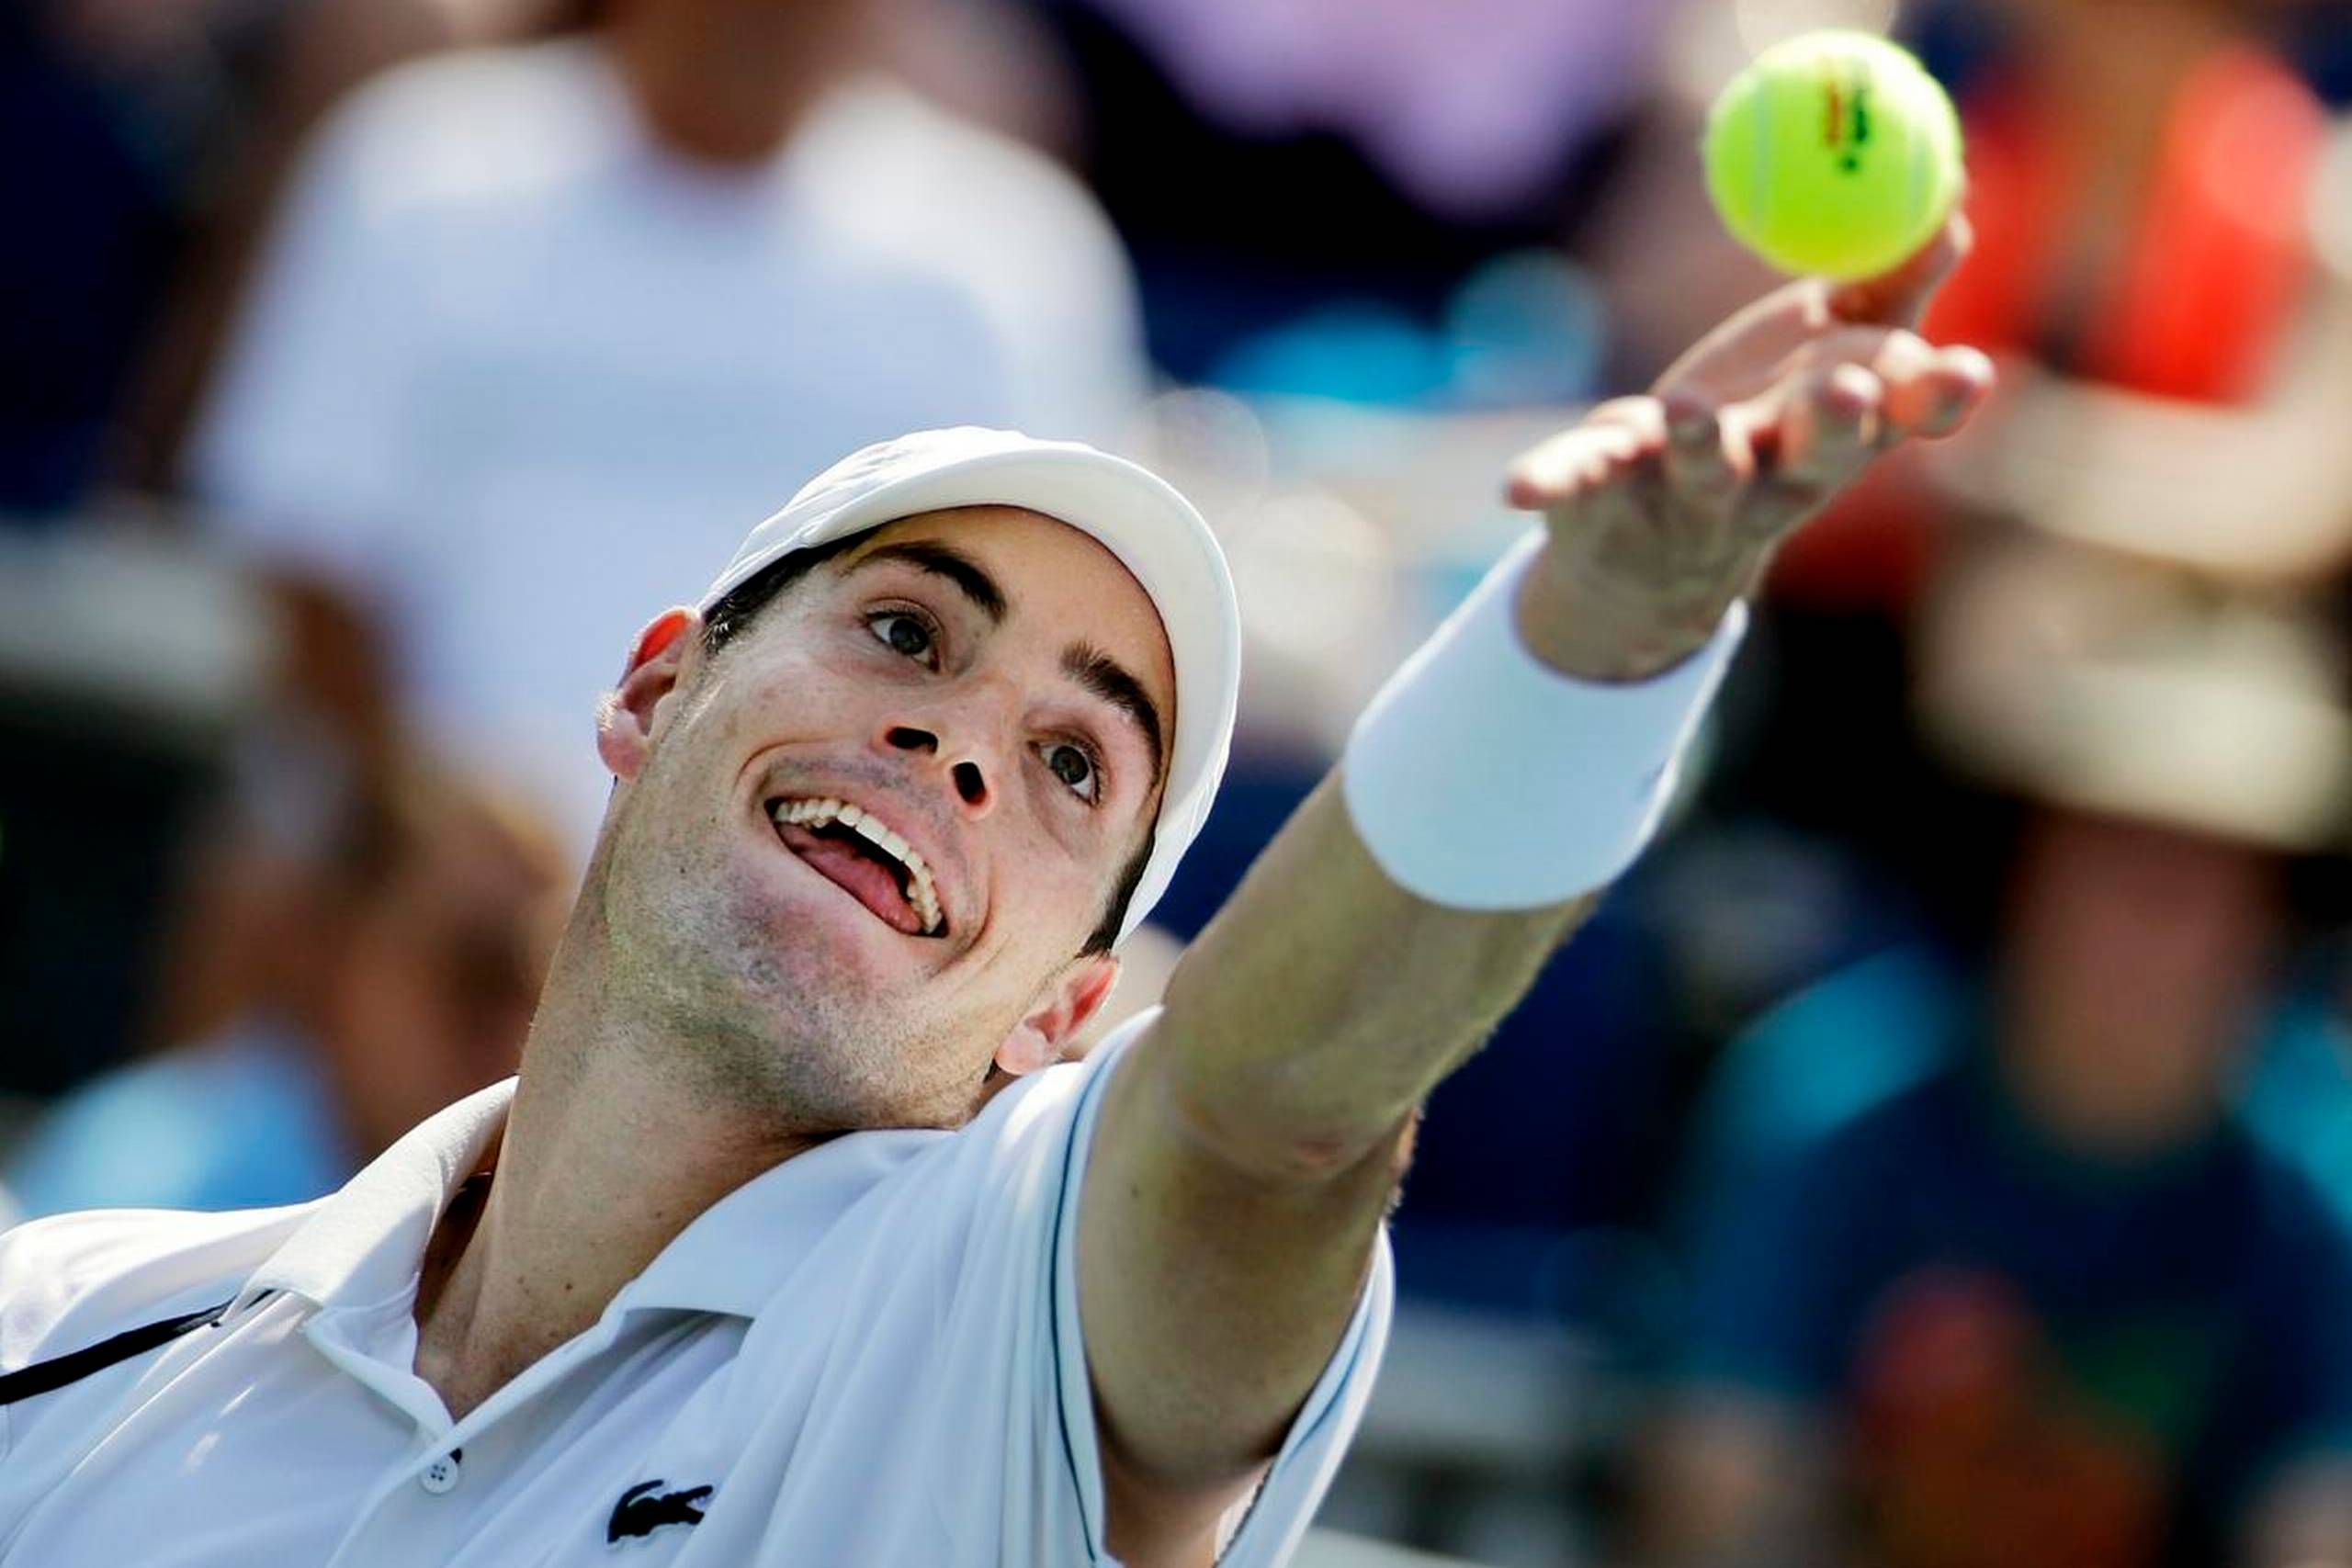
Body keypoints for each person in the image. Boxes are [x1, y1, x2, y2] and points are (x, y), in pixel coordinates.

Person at [0, 225, 1992, 1567]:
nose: (959, 743)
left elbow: (1266, 1110)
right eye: (902, 627)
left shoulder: (990, 1330)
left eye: (1071, 763)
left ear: (1066, 1007)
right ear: (652, 685)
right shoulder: (58, 1326)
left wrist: (1594, 644)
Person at [183, 0, 1153, 846]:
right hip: (401, 879)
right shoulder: (417, 167)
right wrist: (435, 823)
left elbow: (1049, 631)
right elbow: (308, 560)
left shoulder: (1009, 254)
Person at [1641, 535, 2352, 1568]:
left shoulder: (2318, 1174)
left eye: (2208, 887)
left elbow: (2318, 1525)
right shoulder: (1831, 1101)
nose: (2159, 932)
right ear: (2018, 879)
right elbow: (1720, 1500)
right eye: (2117, 871)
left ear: (2273, 921)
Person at [5, 760, 569, 1217]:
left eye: (546, 981)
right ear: (326, 954)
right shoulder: (146, 1196)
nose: (523, 1032)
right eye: (478, 975)